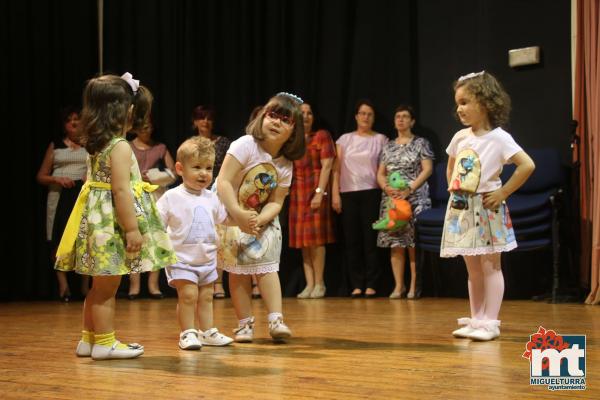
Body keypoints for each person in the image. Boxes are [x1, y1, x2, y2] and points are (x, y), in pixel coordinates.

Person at [54, 73, 177, 360]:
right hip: (111, 225)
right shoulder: (119, 146)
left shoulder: (99, 143)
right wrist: (132, 229)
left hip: (97, 221)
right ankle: (105, 343)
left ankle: (89, 339)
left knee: (99, 287)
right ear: (123, 111)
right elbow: (121, 191)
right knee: (108, 287)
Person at [441, 71, 535, 341]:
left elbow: (527, 165)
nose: (459, 109)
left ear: (484, 103)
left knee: (491, 266)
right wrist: (454, 188)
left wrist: (503, 192)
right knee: (472, 268)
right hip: (462, 208)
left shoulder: (499, 138)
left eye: (465, 102)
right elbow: (451, 165)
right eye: (457, 103)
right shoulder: (460, 137)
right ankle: (476, 319)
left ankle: (490, 322)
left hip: (487, 207)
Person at [217, 92, 305, 342]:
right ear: (262, 117)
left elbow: (277, 201)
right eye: (272, 115)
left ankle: (276, 320)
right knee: (238, 270)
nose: (276, 122)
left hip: (261, 216)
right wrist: (238, 214)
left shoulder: (285, 163)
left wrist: (260, 219)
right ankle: (244, 324)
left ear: (294, 131)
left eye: (285, 119)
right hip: (231, 209)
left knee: (267, 266)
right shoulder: (245, 145)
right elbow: (223, 182)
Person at [157, 136, 234, 350]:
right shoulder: (171, 197)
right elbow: (157, 223)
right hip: (181, 259)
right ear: (180, 168)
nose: (204, 173)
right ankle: (187, 332)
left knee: (207, 296)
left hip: (207, 259)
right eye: (197, 167)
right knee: (189, 295)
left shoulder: (211, 197)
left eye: (209, 168)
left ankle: (207, 331)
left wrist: (244, 219)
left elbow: (224, 218)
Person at [376, 105, 434, 299]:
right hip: (392, 200)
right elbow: (381, 173)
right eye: (397, 116)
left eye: (405, 116)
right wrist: (386, 187)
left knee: (412, 244)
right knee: (396, 243)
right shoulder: (388, 146)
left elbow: (427, 169)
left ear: (412, 121)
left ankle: (413, 286)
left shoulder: (421, 143)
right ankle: (398, 286)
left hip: (415, 198)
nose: (400, 120)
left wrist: (410, 188)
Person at [332, 100, 388, 298]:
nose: (365, 117)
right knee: (352, 241)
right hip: (348, 193)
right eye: (362, 113)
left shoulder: (381, 139)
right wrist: (335, 194)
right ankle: (356, 283)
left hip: (371, 193)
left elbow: (385, 168)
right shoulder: (344, 140)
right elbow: (336, 169)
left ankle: (372, 283)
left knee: (370, 240)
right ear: (356, 116)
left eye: (369, 114)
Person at [37, 106, 90, 301]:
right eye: (70, 120)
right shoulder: (56, 146)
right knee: (58, 240)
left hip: (82, 194)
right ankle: (63, 286)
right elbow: (41, 176)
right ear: (64, 125)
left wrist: (88, 176)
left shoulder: (89, 145)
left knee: (84, 240)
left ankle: (85, 287)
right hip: (59, 195)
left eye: (78, 119)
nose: (75, 123)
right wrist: (57, 180)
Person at [289, 102, 336, 298]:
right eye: (302, 113)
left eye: (309, 113)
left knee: (316, 242)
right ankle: (309, 284)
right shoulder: (294, 140)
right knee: (303, 243)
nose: (306, 116)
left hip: (315, 191)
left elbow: (327, 166)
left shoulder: (321, 136)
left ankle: (320, 283)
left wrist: (319, 192)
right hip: (297, 194)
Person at [127, 117, 176, 300]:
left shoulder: (160, 147)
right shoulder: (128, 147)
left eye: (150, 125)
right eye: (143, 126)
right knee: (135, 239)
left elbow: (173, 173)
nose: (147, 129)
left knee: (155, 238)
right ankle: (134, 286)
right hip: (133, 195)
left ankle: (153, 285)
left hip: (155, 195)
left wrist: (155, 176)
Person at [192, 105, 231, 299]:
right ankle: (196, 280)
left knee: (219, 238)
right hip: (195, 194)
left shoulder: (223, 142)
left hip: (218, 193)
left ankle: (218, 283)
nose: (205, 122)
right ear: (195, 122)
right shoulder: (190, 144)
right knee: (199, 237)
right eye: (201, 118)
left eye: (208, 118)